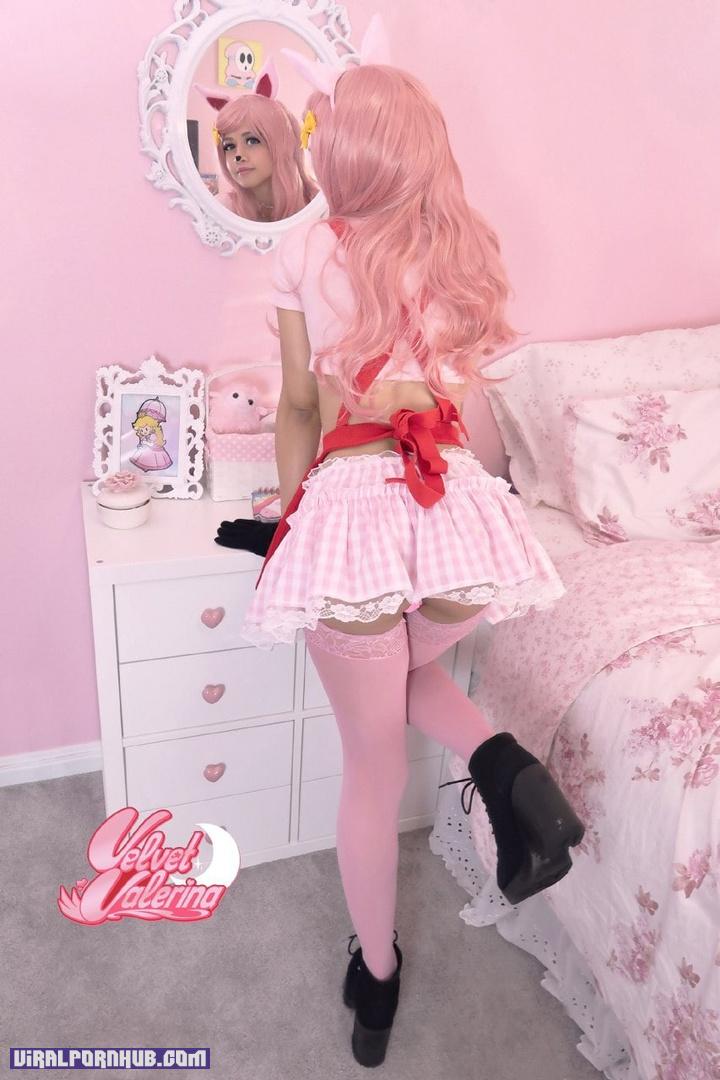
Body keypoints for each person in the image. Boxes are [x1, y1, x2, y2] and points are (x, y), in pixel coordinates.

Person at [219, 15, 585, 1068]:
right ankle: (504, 764)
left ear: (345, 149)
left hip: (355, 504)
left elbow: (301, 406)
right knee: (409, 678)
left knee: (370, 770)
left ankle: (376, 982)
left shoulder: (301, 248)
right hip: (454, 506)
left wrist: (293, 521)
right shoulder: (457, 246)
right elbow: (453, 398)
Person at [194, 55, 318, 223]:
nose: (238, 155)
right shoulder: (223, 210)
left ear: (282, 142)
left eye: (252, 141)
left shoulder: (318, 205)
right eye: (229, 146)